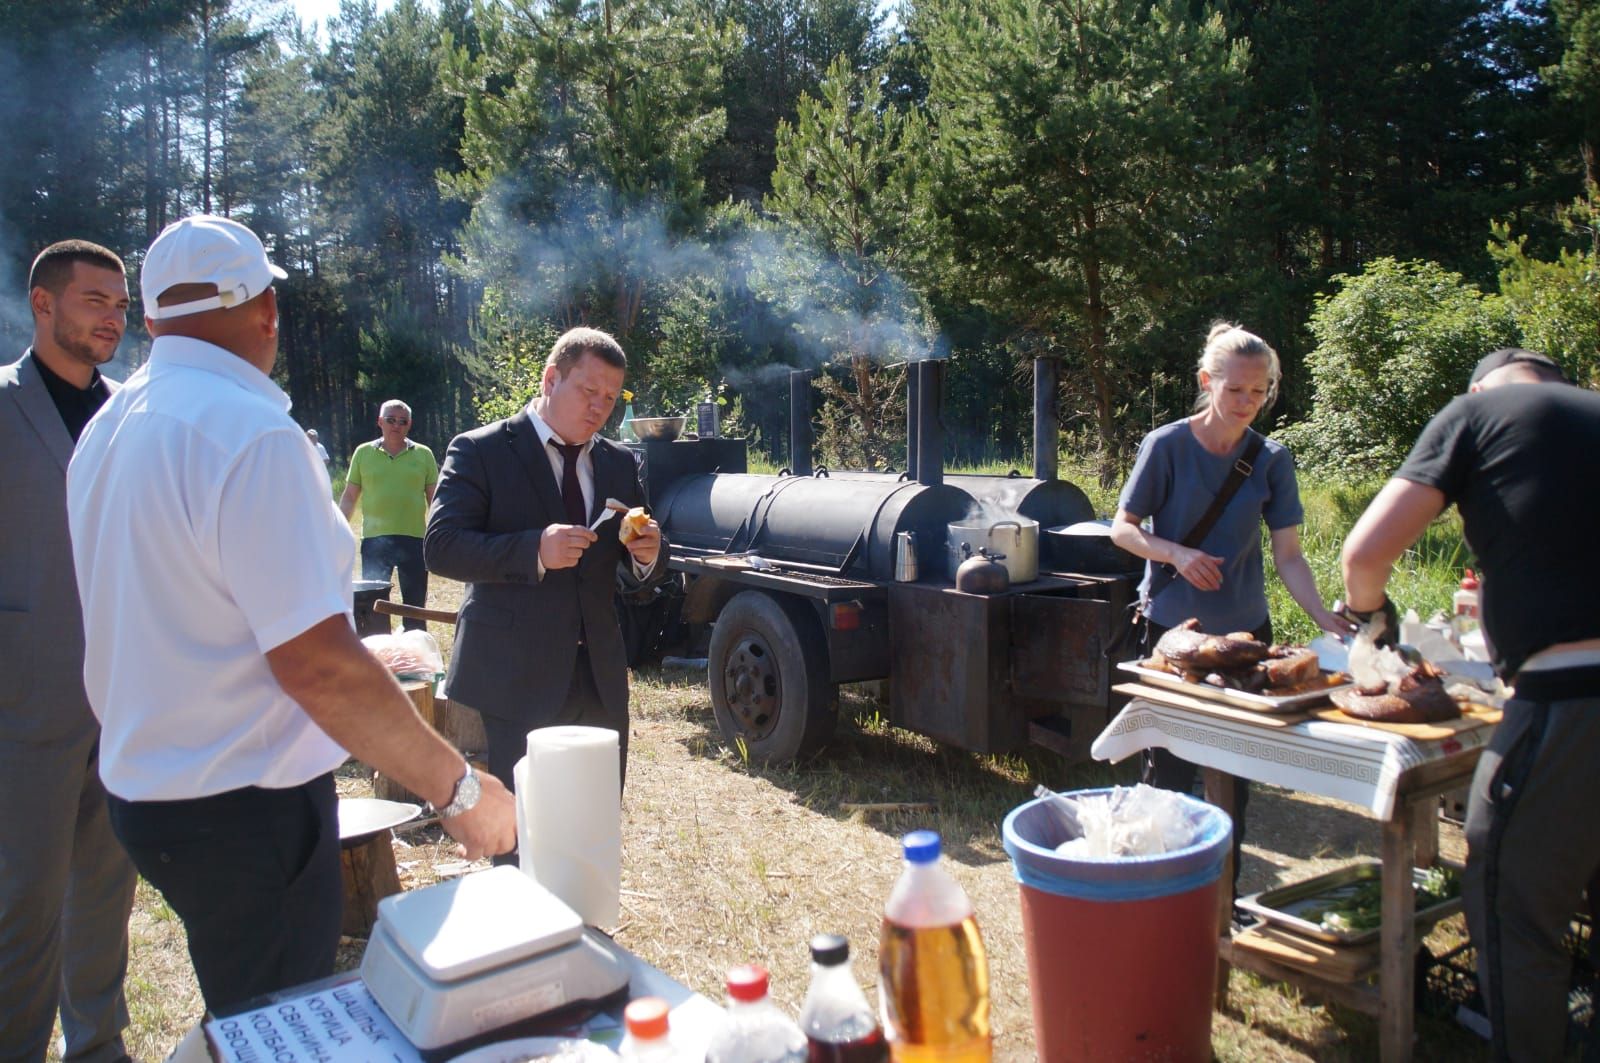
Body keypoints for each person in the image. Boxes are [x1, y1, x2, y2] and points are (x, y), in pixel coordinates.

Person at [65, 214, 516, 1014]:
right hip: (244, 812)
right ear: (266, 311)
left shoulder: (108, 427)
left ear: (151, 317)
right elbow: (316, 667)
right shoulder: (251, 435)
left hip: (148, 793)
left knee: (241, 1008)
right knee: (278, 1026)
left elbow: (184, 616)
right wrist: (459, 792)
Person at [1341, 347, 1600, 1062]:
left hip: (1569, 707)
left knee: (1514, 918)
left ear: (1483, 388)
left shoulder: (1476, 414)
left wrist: (1373, 620)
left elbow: (1365, 554)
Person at [1109, 322, 1349, 885]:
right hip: (1174, 636)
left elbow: (1288, 555)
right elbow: (1123, 529)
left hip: (1245, 639)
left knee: (1235, 776)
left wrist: (1325, 621)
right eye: (1236, 389)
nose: (1247, 403)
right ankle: (1158, 889)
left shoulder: (1272, 459)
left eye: (1259, 391)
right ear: (1206, 381)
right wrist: (1175, 553)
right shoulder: (1165, 445)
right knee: (1168, 770)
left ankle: (1223, 898)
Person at [426, 327, 666, 824]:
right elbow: (442, 547)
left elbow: (635, 566)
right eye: (588, 390)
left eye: (611, 398)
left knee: (592, 829)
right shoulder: (481, 450)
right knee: (523, 831)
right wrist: (533, 549)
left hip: (598, 678)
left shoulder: (620, 463)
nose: (600, 407)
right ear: (551, 378)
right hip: (515, 678)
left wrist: (648, 554)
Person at [1, 240, 138, 1063]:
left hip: (124, 700)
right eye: (94, 300)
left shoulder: (131, 412)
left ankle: (98, 1047)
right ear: (42, 305)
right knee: (22, 899)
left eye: (121, 303)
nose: (113, 316)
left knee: (105, 892)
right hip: (24, 696)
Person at [339, 400, 438, 631]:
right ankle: (377, 654)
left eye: (402, 421)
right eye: (391, 420)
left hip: (414, 540)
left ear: (409, 425)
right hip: (375, 540)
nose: (397, 425)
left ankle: (415, 655)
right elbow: (350, 496)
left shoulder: (424, 454)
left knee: (415, 606)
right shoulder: (363, 453)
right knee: (373, 605)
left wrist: (438, 534)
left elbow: (434, 500)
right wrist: (337, 528)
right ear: (380, 421)